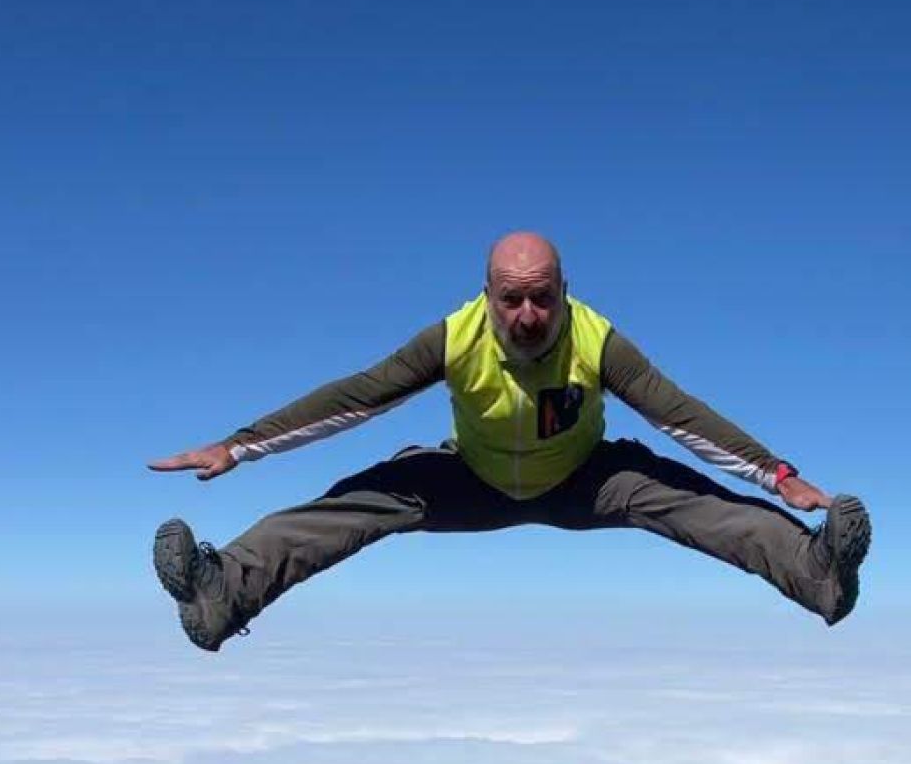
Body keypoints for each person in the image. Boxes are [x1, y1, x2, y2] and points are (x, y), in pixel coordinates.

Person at [147, 233, 871, 651]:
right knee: (349, 504)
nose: (527, 315)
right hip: (475, 479)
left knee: (697, 502)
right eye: (511, 298)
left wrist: (777, 475)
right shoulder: (453, 339)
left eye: (542, 297)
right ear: (488, 294)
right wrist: (241, 446)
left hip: (587, 477)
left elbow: (675, 412)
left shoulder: (597, 341)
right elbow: (357, 396)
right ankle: (220, 596)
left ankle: (820, 575)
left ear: (564, 291)